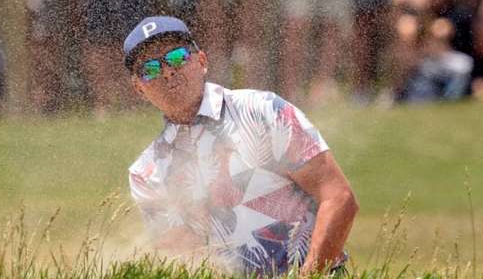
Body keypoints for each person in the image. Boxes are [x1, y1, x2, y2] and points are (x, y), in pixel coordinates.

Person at [125, 15, 358, 276]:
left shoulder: (262, 111)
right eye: (151, 69)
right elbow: (184, 263)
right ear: (138, 89)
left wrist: (309, 276)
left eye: (177, 57)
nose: (168, 71)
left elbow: (338, 198)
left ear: (201, 61)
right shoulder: (146, 173)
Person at [389, 0, 474, 102]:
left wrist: (422, 9)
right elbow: (393, 33)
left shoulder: (458, 12)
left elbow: (439, 33)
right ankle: (397, 93)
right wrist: (395, 6)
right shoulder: (415, 12)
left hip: (452, 72)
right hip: (424, 71)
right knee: (406, 28)